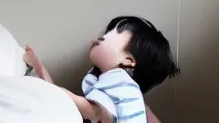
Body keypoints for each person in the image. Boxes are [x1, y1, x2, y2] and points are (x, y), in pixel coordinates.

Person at [24, 16, 179, 123]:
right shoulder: (107, 84)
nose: (99, 38)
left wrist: (66, 95)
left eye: (110, 34)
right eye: (105, 32)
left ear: (128, 60)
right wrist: (39, 67)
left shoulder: (122, 85)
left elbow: (98, 113)